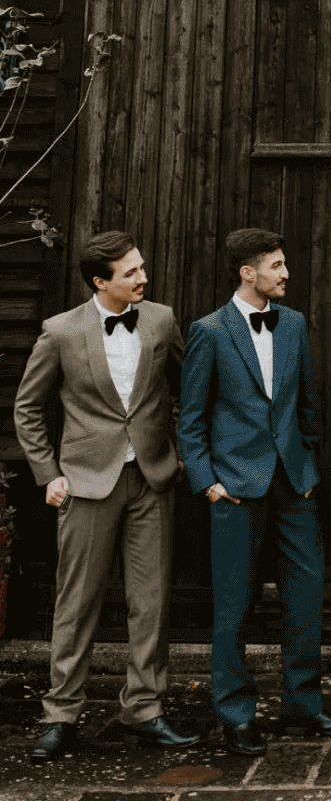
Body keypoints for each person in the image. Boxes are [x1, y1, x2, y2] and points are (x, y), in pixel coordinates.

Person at [13, 232, 197, 763]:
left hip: (152, 478)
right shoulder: (61, 331)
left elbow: (189, 390)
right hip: (86, 483)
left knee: (151, 601)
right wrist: (48, 473)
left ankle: (143, 710)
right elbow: (28, 408)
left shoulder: (160, 320)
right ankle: (60, 714)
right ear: (100, 282)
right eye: (131, 273)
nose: (144, 278)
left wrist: (180, 455)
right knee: (76, 603)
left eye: (142, 267)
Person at [178, 228, 331, 757]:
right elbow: (191, 418)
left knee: (307, 595)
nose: (285, 274)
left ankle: (303, 705)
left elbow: (306, 402)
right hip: (233, 487)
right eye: (276, 266)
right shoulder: (209, 332)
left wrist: (307, 464)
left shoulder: (295, 324)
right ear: (247, 272)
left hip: (294, 484)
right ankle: (236, 713)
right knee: (235, 604)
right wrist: (207, 482)